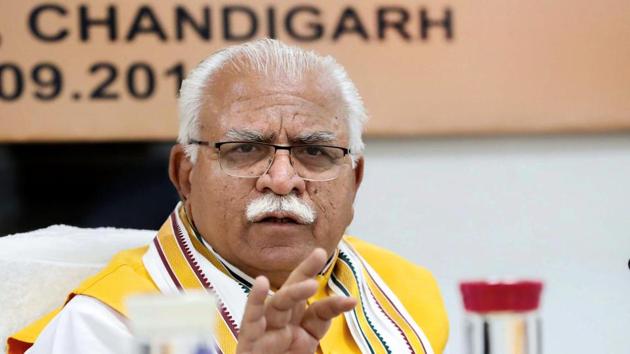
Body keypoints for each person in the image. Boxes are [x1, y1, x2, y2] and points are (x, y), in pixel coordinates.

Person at [8, 39, 448, 354]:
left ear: (355, 181)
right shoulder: (107, 328)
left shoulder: (406, 293)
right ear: (185, 174)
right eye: (244, 149)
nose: (281, 179)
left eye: (314, 151)